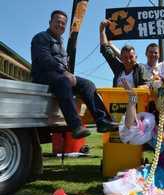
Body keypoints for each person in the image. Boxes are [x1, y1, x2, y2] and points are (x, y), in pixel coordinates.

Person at [31, 10, 118, 139]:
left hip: (60, 76)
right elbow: (45, 59)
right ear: (50, 22)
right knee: (64, 81)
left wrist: (68, 74)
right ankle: (76, 126)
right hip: (43, 76)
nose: (60, 25)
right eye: (57, 22)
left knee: (88, 84)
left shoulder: (60, 41)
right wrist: (65, 72)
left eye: (63, 23)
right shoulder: (40, 38)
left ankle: (103, 121)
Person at [99, 20, 146, 88]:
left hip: (135, 98)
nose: (128, 60)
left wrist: (141, 88)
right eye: (125, 57)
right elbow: (105, 50)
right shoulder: (118, 68)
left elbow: (147, 84)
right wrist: (102, 30)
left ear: (136, 57)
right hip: (117, 98)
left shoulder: (140, 69)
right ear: (121, 58)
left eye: (131, 57)